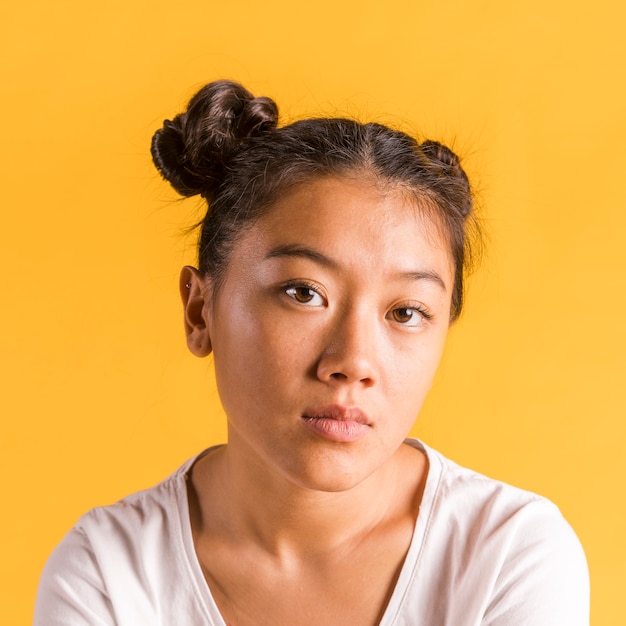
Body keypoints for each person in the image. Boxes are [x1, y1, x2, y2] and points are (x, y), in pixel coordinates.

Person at [34, 80, 589, 625]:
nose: (353, 361)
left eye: (405, 312)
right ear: (200, 311)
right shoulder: (107, 575)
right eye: (303, 293)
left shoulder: (510, 556)